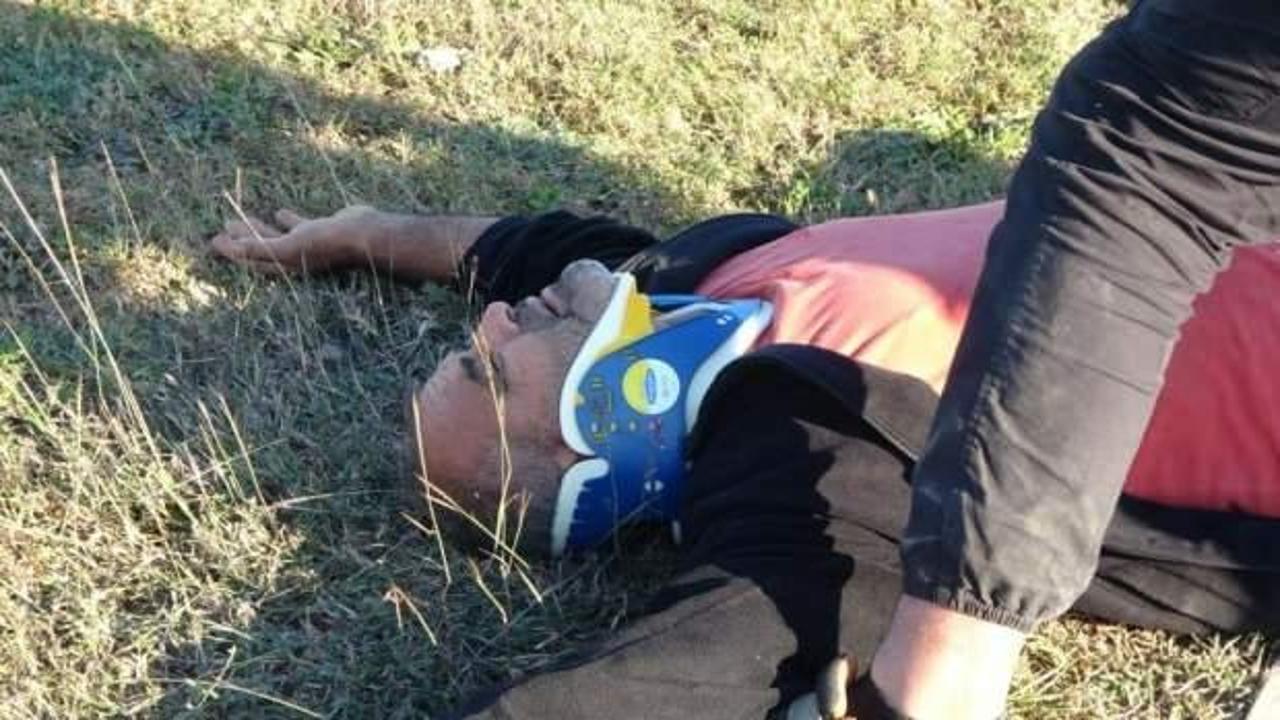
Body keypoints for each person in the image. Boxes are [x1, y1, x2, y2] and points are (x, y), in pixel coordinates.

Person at [213, 193, 1280, 717]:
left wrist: (366, 233)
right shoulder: (804, 450)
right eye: (490, 371)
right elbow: (688, 666)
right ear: (594, 442)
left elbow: (519, 248)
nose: (495, 320)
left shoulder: (689, 289)